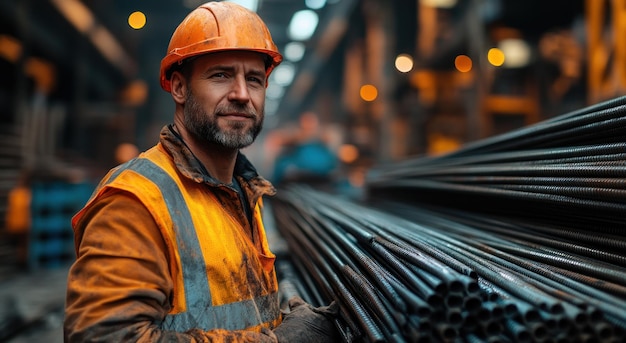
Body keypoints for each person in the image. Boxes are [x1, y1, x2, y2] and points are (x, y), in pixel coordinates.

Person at [63, 2, 339, 342]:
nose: (241, 95)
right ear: (179, 88)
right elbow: (104, 337)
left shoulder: (243, 193)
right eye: (221, 75)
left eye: (254, 79)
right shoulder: (135, 202)